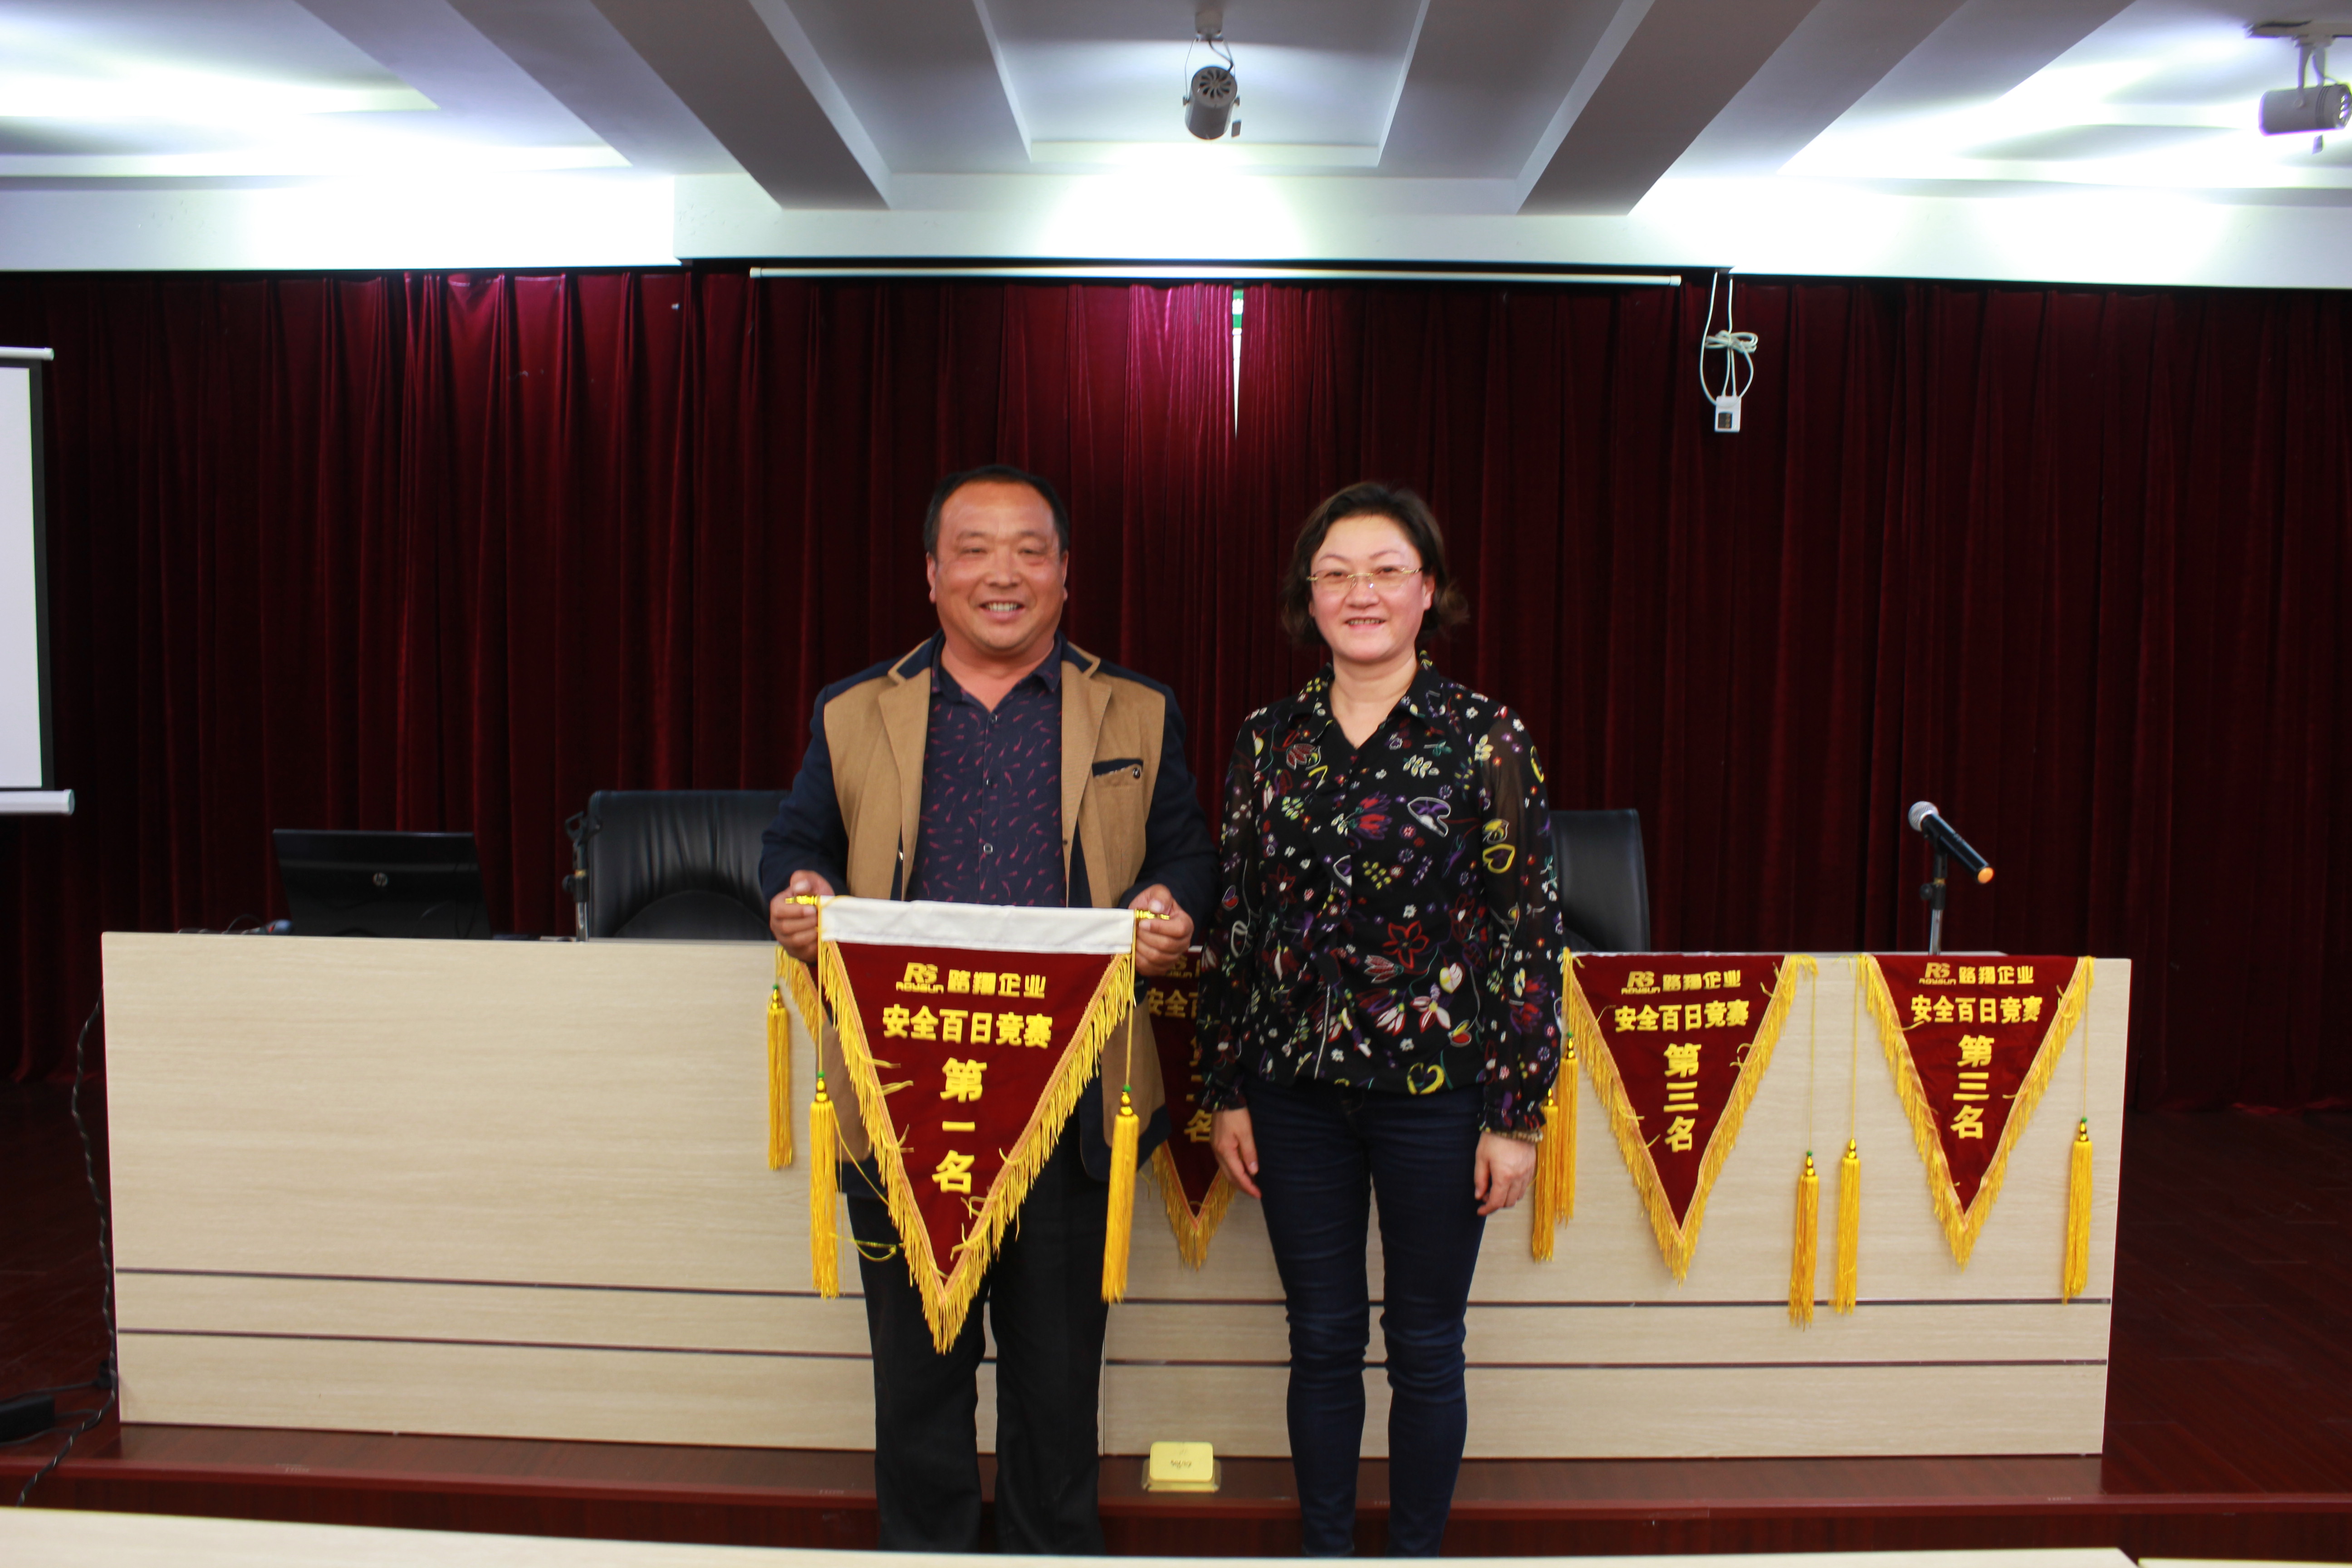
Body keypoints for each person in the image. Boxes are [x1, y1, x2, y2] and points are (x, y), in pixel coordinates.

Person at [760, 464, 1214, 1553]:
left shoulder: (1137, 709)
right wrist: (801, 889)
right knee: (918, 1390)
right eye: (973, 550)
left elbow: (1188, 854)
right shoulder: (855, 710)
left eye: (1028, 550)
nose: (1001, 574)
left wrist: (1172, 903)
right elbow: (797, 844)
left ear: (1065, 573)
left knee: (1057, 1396)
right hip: (903, 1098)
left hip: (1072, 1097)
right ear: (932, 574)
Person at [1197, 481, 1565, 1557]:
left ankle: (1412, 1555)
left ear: (1427, 592)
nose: (1362, 593)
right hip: (1292, 1093)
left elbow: (1528, 930)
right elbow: (1237, 918)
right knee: (1319, 1341)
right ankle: (1325, 1549)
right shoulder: (1268, 741)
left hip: (1438, 1094)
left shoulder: (1486, 737)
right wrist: (1225, 1087)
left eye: (1386, 571)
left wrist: (1517, 1114)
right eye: (1337, 574)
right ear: (1307, 598)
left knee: (1425, 1346)